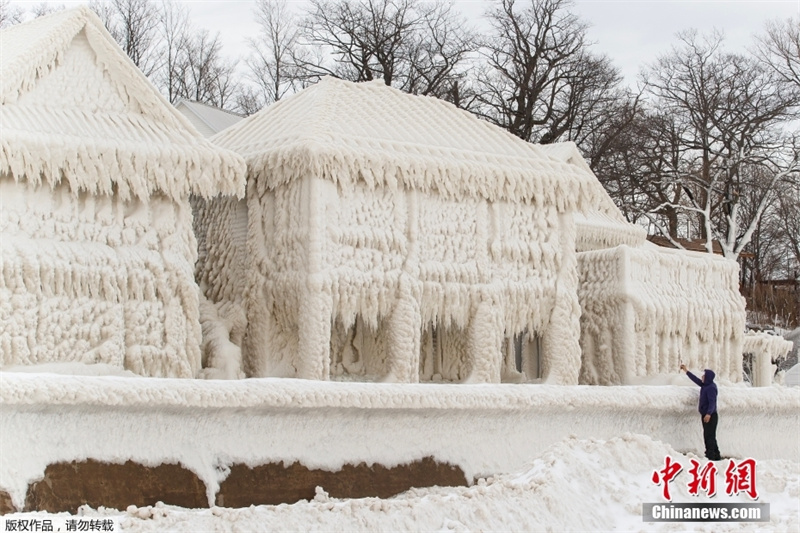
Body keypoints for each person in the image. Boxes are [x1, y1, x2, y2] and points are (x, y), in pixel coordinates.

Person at [679, 364, 721, 461]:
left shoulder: (711, 388)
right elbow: (695, 379)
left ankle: (711, 456)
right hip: (706, 415)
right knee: (710, 435)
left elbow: (712, 403)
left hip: (710, 416)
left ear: (708, 378)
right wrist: (686, 371)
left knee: (708, 436)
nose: (702, 377)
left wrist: (708, 414)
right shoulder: (705, 385)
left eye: (704, 375)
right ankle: (716, 455)